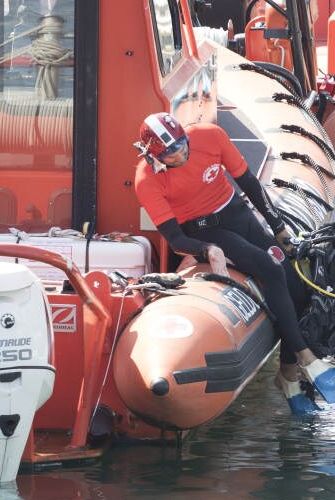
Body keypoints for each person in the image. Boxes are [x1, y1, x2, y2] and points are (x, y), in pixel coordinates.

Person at [134, 112, 335, 415]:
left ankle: (288, 378)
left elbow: (249, 183)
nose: (179, 153)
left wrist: (277, 226)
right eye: (170, 152)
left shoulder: (210, 136)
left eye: (181, 145)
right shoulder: (146, 179)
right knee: (266, 267)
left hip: (237, 212)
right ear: (154, 155)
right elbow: (175, 237)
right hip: (203, 229)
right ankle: (307, 359)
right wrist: (207, 249)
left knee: (295, 285)